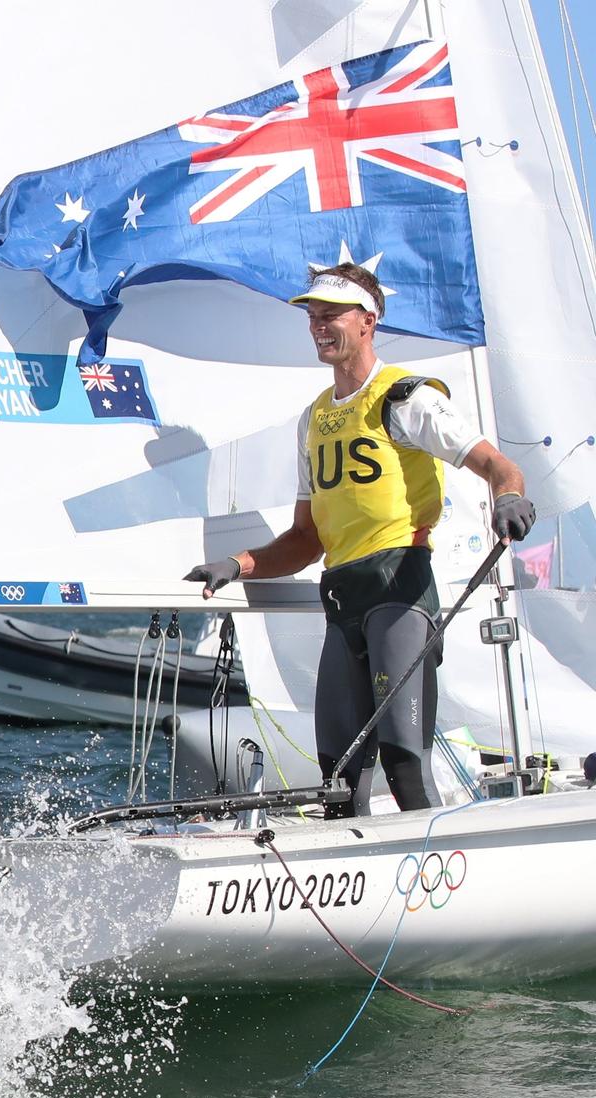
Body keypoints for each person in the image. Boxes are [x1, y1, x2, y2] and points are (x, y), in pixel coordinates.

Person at [185, 263, 535, 816]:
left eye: (331, 315)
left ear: (368, 320)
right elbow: (306, 539)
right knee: (339, 782)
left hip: (398, 591)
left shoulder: (406, 398)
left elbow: (497, 466)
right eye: (312, 317)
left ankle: (436, 870)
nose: (318, 326)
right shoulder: (315, 419)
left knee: (403, 765)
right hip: (343, 601)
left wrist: (510, 498)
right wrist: (239, 563)